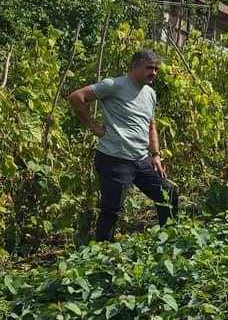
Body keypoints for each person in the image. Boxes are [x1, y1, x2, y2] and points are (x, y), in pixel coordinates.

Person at [67, 48, 179, 242]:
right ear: (134, 66)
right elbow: (76, 97)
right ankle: (102, 256)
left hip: (141, 159)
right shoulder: (114, 85)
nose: (154, 72)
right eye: (149, 68)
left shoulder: (150, 93)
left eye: (156, 69)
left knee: (167, 192)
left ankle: (170, 242)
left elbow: (151, 126)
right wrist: (92, 124)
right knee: (111, 210)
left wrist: (156, 155)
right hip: (114, 158)